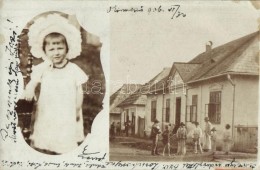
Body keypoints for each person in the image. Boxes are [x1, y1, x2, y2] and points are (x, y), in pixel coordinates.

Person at [24, 14, 88, 154]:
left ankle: (63, 149)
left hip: (67, 108)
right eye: (51, 49)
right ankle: (45, 146)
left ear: (67, 48)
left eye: (60, 48)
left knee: (65, 131)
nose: (56, 53)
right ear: (45, 51)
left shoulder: (73, 69)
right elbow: (34, 81)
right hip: (48, 106)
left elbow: (79, 90)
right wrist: (30, 89)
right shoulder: (44, 67)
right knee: (46, 127)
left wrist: (77, 109)